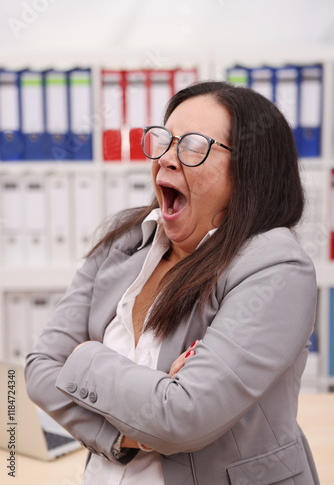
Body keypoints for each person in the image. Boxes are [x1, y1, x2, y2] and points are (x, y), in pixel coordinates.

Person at [25, 81, 320, 485]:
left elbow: (183, 417)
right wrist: (126, 435)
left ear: (251, 168)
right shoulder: (125, 239)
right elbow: (40, 368)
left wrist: (84, 357)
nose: (166, 158)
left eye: (193, 146)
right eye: (163, 140)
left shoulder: (276, 267)